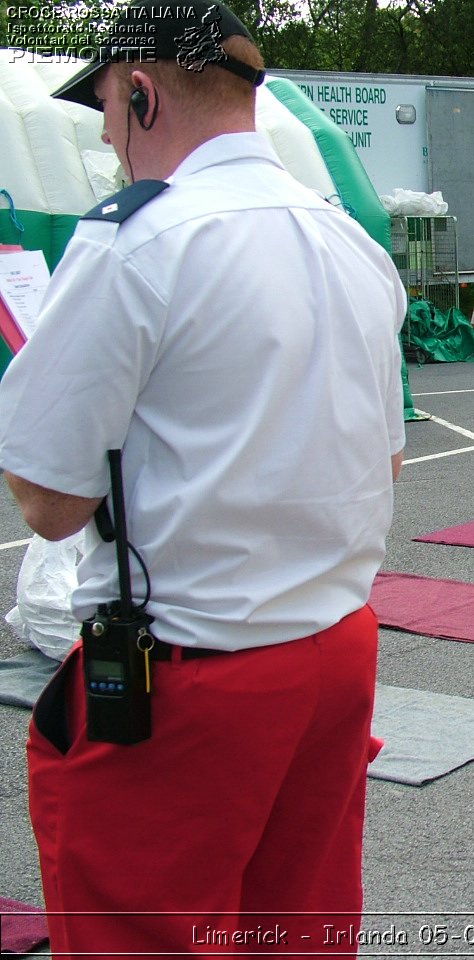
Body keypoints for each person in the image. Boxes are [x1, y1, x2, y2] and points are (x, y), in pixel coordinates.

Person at [0, 1, 406, 953]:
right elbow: (384, 458)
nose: (105, 139)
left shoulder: (136, 239)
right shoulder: (350, 240)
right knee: (294, 932)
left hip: (188, 679)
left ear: (142, 92)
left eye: (104, 108)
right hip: (334, 655)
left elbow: (50, 505)